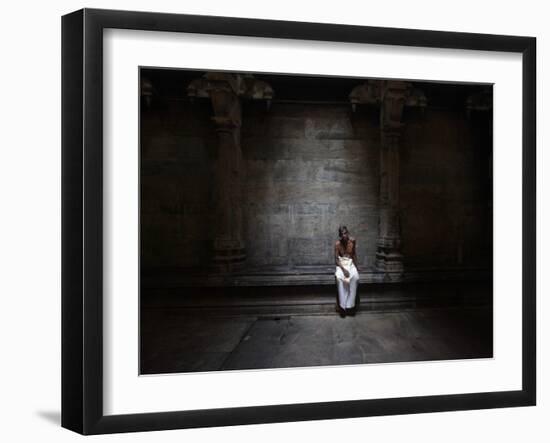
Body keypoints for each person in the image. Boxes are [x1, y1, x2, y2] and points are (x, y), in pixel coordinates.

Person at [334, 225, 360, 317]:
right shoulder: (337, 244)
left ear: (348, 233)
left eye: (345, 233)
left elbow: (354, 254)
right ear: (340, 235)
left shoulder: (352, 241)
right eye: (342, 234)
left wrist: (357, 266)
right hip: (341, 264)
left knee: (355, 277)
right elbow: (336, 259)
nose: (344, 235)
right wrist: (344, 270)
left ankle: (350, 305)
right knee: (339, 278)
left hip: (350, 263)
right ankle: (342, 306)